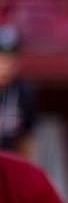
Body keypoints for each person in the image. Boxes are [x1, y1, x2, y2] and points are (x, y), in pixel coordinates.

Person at [0, 25, 37, 159]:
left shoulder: (24, 91)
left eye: (10, 60)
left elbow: (25, 139)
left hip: (9, 166)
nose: (5, 66)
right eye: (1, 59)